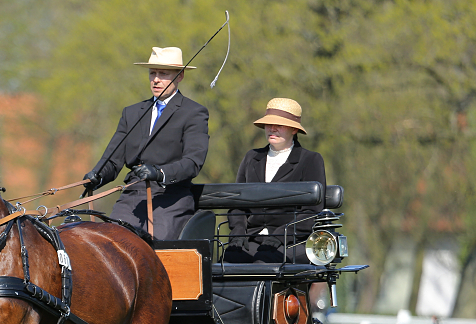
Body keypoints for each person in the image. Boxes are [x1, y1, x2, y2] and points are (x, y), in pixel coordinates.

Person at [83, 47, 209, 240]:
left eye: (163, 74)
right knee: (108, 244)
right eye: (152, 73)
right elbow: (113, 159)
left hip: (170, 199)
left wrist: (160, 173)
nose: (156, 79)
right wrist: (97, 176)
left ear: (180, 76)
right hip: (131, 199)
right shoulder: (131, 112)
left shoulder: (193, 113)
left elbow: (193, 162)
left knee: (154, 251)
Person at [224, 97, 326, 263]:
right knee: (228, 260)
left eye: (279, 125)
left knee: (265, 260)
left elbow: (311, 211)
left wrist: (281, 235)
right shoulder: (252, 157)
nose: (272, 129)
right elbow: (237, 203)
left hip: (292, 241)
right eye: (269, 124)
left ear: (294, 130)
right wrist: (238, 232)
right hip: (252, 238)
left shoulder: (310, 160)